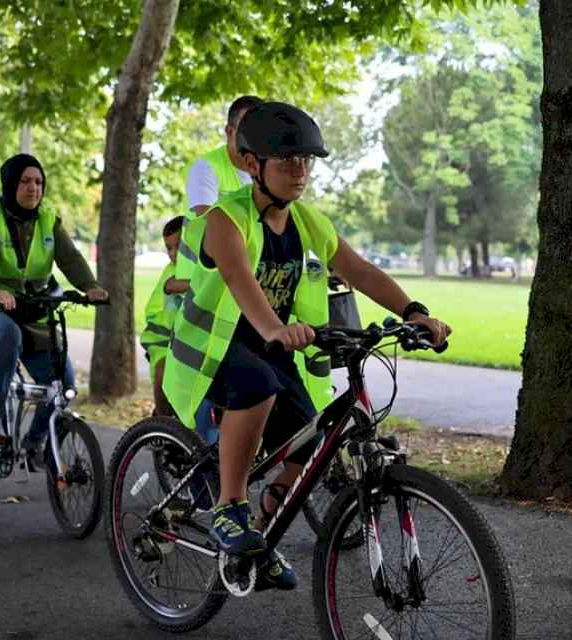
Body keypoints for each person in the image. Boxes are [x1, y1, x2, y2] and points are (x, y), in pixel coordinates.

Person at [162, 102, 451, 591]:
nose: (300, 172)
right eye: (287, 161)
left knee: (311, 435)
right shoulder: (224, 219)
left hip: (269, 341)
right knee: (255, 386)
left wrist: (413, 312)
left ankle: (262, 536)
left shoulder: (306, 221)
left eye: (306, 162)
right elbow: (238, 279)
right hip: (213, 346)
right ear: (253, 164)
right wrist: (275, 327)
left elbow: (358, 270)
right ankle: (230, 508)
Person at [0, 153, 107, 461]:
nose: (33, 188)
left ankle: (36, 442)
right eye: (25, 181)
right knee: (5, 334)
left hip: (33, 313)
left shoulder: (49, 220)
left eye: (38, 182)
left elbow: (71, 258)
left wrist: (89, 286)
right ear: (10, 185)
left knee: (63, 387)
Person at [175, 96, 265, 435]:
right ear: (229, 131)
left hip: (242, 293)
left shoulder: (264, 170)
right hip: (204, 293)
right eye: (244, 129)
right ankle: (201, 469)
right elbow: (207, 220)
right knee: (207, 389)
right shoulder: (207, 168)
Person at [140, 216, 186, 417]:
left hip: (183, 338)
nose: (173, 253)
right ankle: (161, 418)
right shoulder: (172, 270)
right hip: (161, 339)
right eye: (169, 248)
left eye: (179, 246)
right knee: (162, 372)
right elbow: (172, 285)